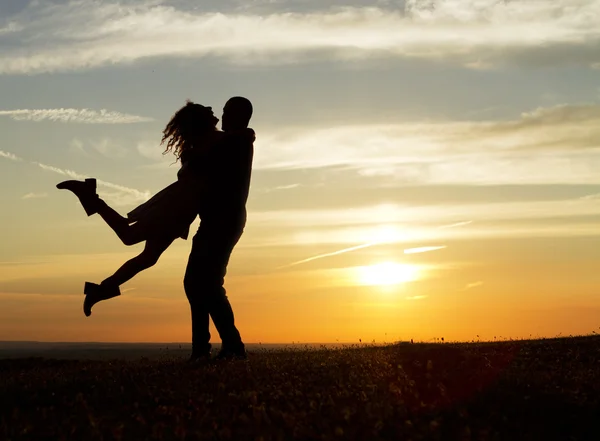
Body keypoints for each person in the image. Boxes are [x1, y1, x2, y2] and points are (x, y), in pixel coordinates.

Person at [56, 101, 225, 317]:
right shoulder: (209, 142)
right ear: (199, 121)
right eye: (206, 110)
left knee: (147, 256)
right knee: (131, 238)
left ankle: (102, 289)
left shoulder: (204, 143)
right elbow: (230, 143)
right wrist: (248, 134)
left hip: (180, 209)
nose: (212, 110)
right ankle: (91, 198)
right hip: (175, 207)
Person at [184, 96, 255, 362]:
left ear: (239, 116)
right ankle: (207, 347)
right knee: (198, 283)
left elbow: (201, 162)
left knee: (206, 284)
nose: (222, 117)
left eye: (226, 112)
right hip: (217, 220)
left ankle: (225, 346)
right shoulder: (233, 141)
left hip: (223, 221)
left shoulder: (236, 142)